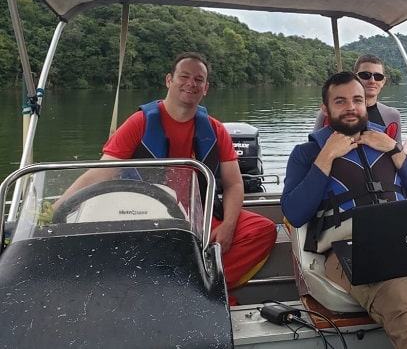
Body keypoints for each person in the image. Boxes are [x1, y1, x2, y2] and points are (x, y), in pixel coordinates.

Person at [283, 71, 407, 349]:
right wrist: (327, 155)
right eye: (340, 101)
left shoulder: (388, 146)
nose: (351, 107)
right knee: (399, 294)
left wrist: (395, 150)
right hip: (350, 250)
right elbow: (294, 213)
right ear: (325, 109)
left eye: (357, 99)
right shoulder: (307, 153)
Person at [54, 52, 277, 299]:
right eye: (184, 76)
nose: (191, 83)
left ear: (206, 88)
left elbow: (234, 184)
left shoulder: (215, 130)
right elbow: (99, 174)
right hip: (147, 217)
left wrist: (228, 225)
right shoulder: (140, 123)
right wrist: (58, 207)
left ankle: (198, 289)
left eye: (199, 79)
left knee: (263, 230)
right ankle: (179, 288)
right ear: (169, 80)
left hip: (199, 217)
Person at [314, 54, 402, 144]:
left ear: (383, 81)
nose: (372, 81)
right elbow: (315, 147)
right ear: (355, 78)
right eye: (365, 75)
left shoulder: (392, 116)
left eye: (378, 77)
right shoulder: (329, 113)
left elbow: (398, 152)